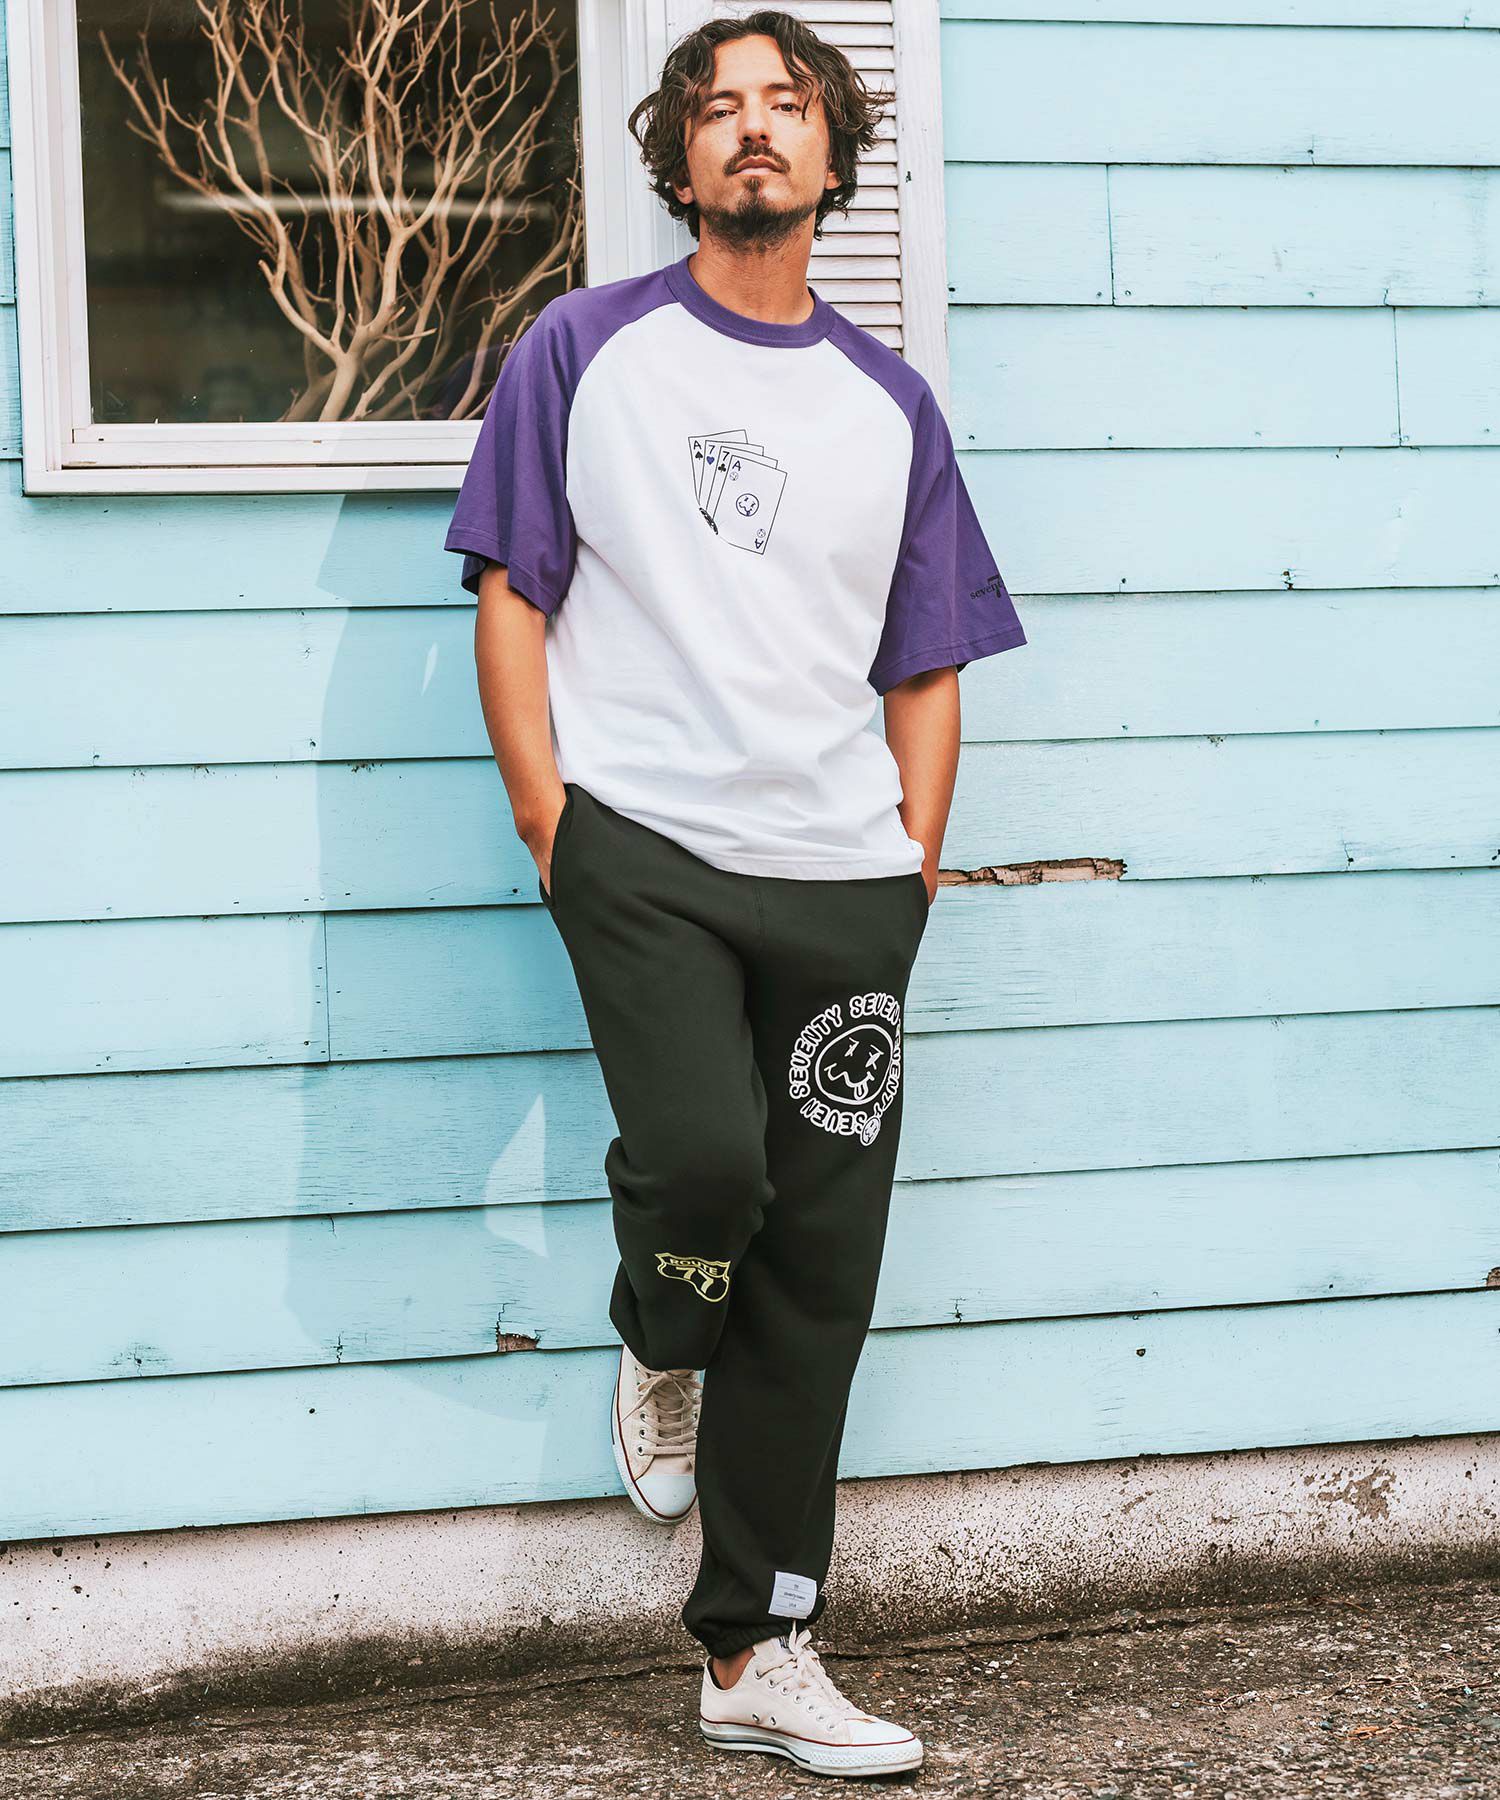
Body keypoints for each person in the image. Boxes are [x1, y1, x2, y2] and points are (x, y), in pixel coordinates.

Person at [444, 9, 1026, 1779]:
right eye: (718, 109)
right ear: (679, 157)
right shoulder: (584, 349)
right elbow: (513, 592)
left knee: (821, 1272)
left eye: (785, 105)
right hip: (647, 853)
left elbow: (928, 660)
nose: (752, 129)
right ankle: (661, 1331)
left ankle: (756, 1645)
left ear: (833, 153)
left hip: (846, 878)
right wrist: (551, 822)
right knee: (707, 1170)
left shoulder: (889, 407)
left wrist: (913, 865)